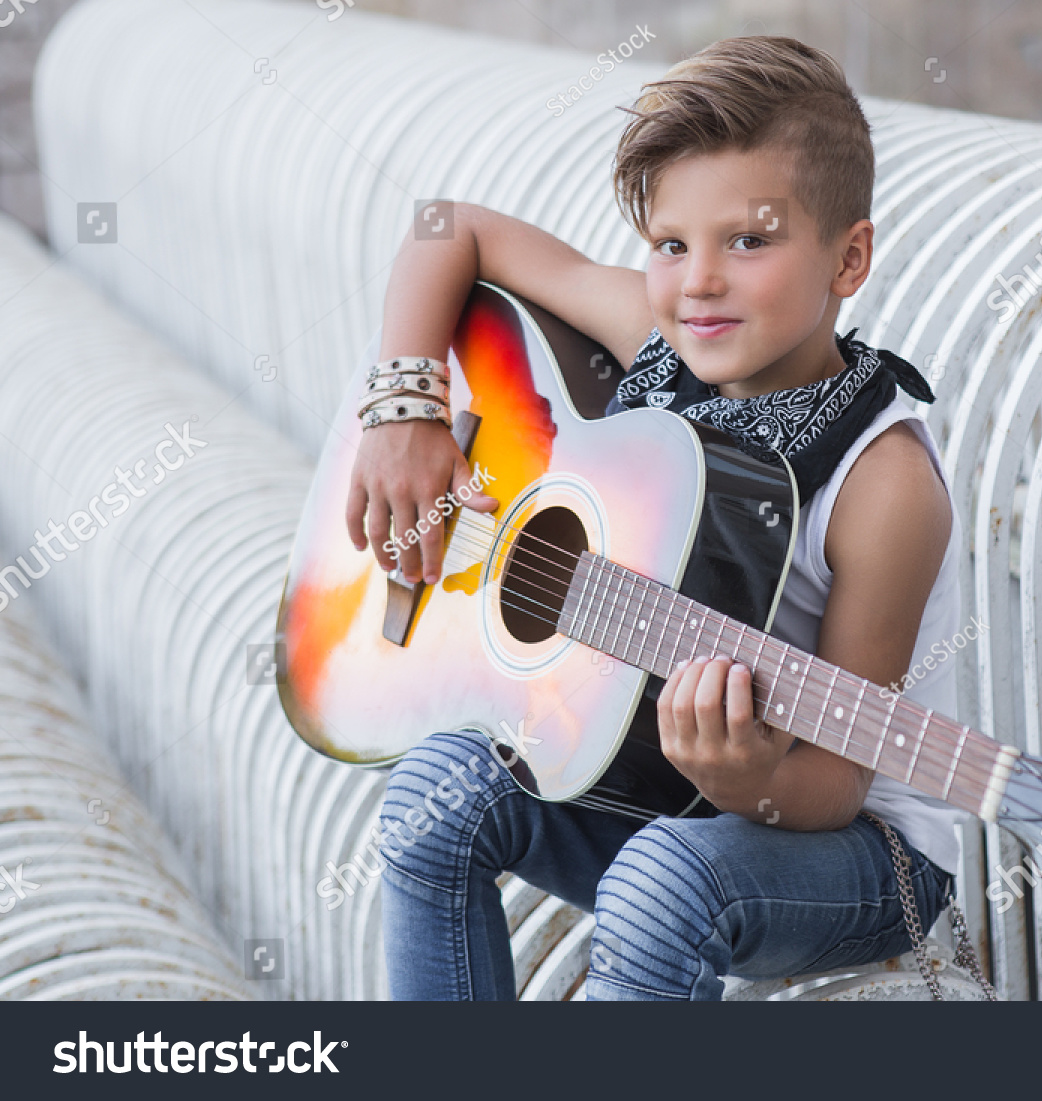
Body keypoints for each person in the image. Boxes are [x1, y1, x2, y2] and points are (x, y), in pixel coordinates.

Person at [346, 34, 974, 1000]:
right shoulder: (658, 343)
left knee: (660, 881)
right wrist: (406, 410)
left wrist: (741, 776)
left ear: (849, 258)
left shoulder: (883, 484)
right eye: (671, 244)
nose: (699, 282)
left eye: (750, 241)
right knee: (437, 794)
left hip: (855, 851)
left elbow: (839, 782)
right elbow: (445, 224)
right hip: (660, 780)